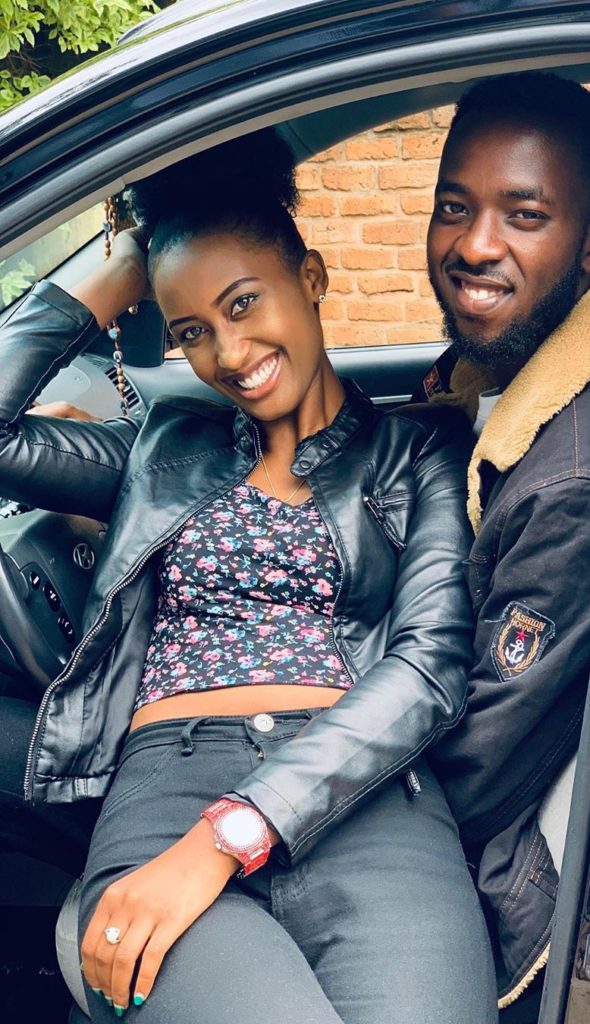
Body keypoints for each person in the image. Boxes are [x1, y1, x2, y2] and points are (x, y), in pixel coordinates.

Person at [0, 130, 497, 1023]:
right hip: (168, 791)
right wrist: (116, 270)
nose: (228, 355)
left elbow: (428, 667)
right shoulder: (161, 448)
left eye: (242, 303)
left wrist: (238, 829)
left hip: (366, 794)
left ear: (310, 276)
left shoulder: (416, 454)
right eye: (191, 332)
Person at [417, 72, 590, 1014]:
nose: (475, 244)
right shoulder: (514, 372)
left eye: (523, 215)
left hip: (491, 891)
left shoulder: (574, 482)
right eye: (454, 207)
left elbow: (473, 773)